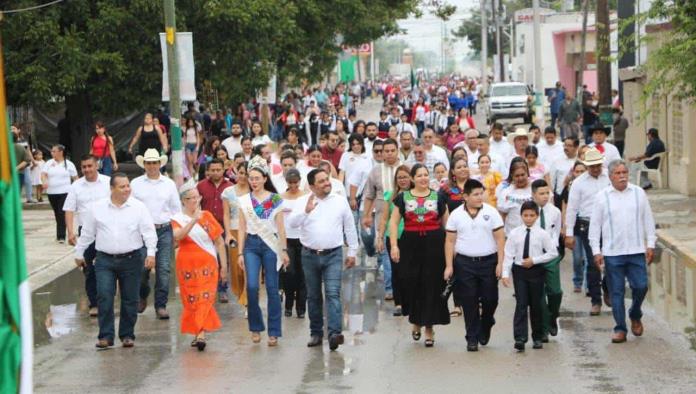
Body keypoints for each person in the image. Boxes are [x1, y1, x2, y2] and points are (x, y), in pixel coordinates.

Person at [74, 173, 157, 348]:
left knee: (130, 298)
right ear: (112, 189)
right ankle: (105, 336)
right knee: (104, 295)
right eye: (122, 186)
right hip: (105, 259)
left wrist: (151, 254)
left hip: (132, 259)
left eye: (128, 186)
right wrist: (79, 253)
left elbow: (149, 232)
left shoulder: (138, 207)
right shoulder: (97, 208)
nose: (127, 189)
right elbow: (88, 233)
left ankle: (127, 334)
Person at [287, 168, 358, 351]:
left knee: (333, 293)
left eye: (327, 179)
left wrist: (352, 251)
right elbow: (292, 224)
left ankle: (334, 333)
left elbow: (349, 227)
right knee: (313, 295)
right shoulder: (303, 201)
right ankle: (316, 332)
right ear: (312, 186)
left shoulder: (339, 201)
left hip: (333, 254)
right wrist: (306, 212)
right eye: (321, 181)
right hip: (309, 255)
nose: (327, 183)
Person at [589, 160, 656, 344]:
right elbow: (594, 227)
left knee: (641, 286)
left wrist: (650, 244)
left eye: (624, 172)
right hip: (612, 253)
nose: (622, 176)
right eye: (618, 173)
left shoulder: (638, 193)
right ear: (610, 177)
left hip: (635, 250)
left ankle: (635, 313)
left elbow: (648, 220)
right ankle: (620, 328)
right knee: (616, 291)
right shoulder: (602, 197)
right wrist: (597, 251)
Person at [389, 164, 450, 347]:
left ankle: (429, 328)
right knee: (412, 283)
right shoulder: (403, 198)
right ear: (413, 178)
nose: (423, 178)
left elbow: (448, 224)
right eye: (419, 175)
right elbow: (393, 223)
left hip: (434, 245)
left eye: (426, 175)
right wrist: (394, 245)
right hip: (410, 245)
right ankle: (416, 321)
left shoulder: (438, 196)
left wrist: (451, 250)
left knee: (432, 285)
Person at [444, 179, 505, 352]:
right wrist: (449, 266)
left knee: (490, 299)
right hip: (464, 263)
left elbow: (500, 238)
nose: (480, 197)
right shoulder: (456, 215)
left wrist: (500, 263)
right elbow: (449, 241)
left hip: (488, 262)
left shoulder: (491, 212)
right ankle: (471, 337)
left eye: (481, 193)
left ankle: (486, 323)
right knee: (469, 301)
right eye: (476, 194)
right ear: (465, 196)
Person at [236, 156, 289, 346]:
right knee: (251, 286)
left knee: (273, 289)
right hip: (251, 244)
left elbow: (281, 228)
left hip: (270, 246)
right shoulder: (244, 201)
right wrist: (240, 253)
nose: (254, 181)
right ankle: (255, 327)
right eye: (251, 178)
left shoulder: (275, 199)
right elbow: (241, 227)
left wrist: (283, 250)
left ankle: (274, 331)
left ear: (265, 178)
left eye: (257, 178)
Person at [172, 182, 228, 351]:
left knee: (205, 298)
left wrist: (223, 266)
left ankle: (201, 333)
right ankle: (198, 331)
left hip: (208, 262)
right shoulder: (177, 219)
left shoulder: (207, 216)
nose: (195, 201)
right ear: (183, 201)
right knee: (191, 299)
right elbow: (178, 237)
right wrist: (193, 221)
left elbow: (219, 242)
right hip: (187, 263)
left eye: (197, 197)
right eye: (191, 198)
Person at [502, 201, 558, 352]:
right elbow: (509, 254)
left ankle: (538, 336)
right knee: (521, 304)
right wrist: (505, 273)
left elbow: (553, 253)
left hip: (536, 271)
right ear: (521, 216)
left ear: (537, 216)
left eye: (531, 215)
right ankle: (520, 338)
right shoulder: (515, 233)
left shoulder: (542, 234)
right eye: (525, 215)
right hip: (520, 271)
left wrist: (535, 260)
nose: (528, 218)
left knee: (536, 305)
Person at [131, 149, 181, 319]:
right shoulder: (135, 184)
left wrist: (176, 233)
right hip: (142, 232)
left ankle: (161, 305)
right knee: (143, 268)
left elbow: (176, 210)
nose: (152, 166)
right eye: (148, 163)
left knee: (164, 269)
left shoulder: (169, 184)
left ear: (160, 164)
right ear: (144, 164)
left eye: (154, 163)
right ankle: (142, 294)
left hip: (164, 229)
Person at [63, 155, 111, 317]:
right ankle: (95, 303)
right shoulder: (76, 186)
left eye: (90, 166)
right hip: (86, 233)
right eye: (84, 167)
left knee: (109, 268)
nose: (87, 170)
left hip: (107, 231)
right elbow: (69, 209)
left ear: (97, 165)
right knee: (89, 270)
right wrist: (70, 231)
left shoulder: (108, 183)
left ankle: (108, 300)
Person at [565, 148, 611, 315]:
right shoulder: (579, 183)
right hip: (588, 225)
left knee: (611, 261)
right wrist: (569, 233)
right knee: (593, 263)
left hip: (608, 226)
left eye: (598, 165)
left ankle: (607, 288)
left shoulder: (609, 177)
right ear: (586, 166)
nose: (596, 169)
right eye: (592, 166)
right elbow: (572, 209)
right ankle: (596, 300)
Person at [361, 138, 401, 300]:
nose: (389, 154)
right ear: (382, 153)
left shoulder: (406, 168)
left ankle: (404, 286)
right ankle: (390, 288)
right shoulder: (376, 172)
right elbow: (369, 195)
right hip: (381, 218)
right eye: (386, 151)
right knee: (385, 253)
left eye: (392, 150)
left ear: (397, 151)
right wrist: (366, 215)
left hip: (404, 220)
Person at [530, 179, 563, 343]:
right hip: (535, 256)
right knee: (539, 294)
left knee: (555, 291)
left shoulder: (555, 211)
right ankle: (543, 328)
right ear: (533, 194)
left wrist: (554, 250)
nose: (544, 197)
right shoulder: (529, 212)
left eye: (547, 193)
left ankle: (553, 315)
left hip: (550, 255)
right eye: (541, 194)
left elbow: (555, 232)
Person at [376, 165, 412, 317]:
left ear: (411, 177)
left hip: (412, 238)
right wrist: (379, 237)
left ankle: (411, 302)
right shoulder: (390, 196)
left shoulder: (416, 195)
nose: (402, 180)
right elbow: (385, 218)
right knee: (396, 271)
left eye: (405, 177)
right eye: (399, 177)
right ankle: (399, 303)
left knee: (410, 271)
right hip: (394, 238)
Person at [197, 158, 234, 302]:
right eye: (212, 170)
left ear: (223, 169)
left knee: (224, 258)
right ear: (208, 171)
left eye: (218, 169)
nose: (216, 172)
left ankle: (223, 288)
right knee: (207, 258)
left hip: (225, 227)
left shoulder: (230, 187)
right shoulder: (200, 186)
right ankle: (207, 287)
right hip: (205, 228)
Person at [280, 169, 308, 318]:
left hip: (303, 239)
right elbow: (266, 213)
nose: (293, 186)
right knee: (289, 273)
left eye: (295, 182)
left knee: (302, 274)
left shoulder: (306, 196)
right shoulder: (279, 197)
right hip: (286, 239)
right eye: (290, 183)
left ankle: (301, 307)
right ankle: (288, 303)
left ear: (299, 181)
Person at [221, 161, 249, 310]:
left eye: (247, 173)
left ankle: (248, 300)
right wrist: (228, 234)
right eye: (241, 173)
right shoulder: (228, 192)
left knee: (249, 267)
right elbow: (225, 214)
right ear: (236, 172)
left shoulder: (254, 191)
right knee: (236, 269)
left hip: (251, 232)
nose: (243, 176)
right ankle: (240, 294)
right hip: (233, 231)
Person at [41, 144, 78, 243]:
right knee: (57, 213)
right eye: (51, 151)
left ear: (60, 152)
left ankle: (61, 236)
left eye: (54, 151)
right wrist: (44, 181)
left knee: (62, 213)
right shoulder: (49, 163)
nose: (52, 153)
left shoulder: (69, 164)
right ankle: (60, 234)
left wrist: (76, 189)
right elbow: (43, 174)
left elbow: (75, 178)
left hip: (65, 192)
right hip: (52, 192)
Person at [497, 158, 532, 236]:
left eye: (523, 175)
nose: (520, 178)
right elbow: (501, 216)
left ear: (527, 173)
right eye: (517, 176)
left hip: (533, 235)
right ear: (512, 176)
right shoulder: (505, 192)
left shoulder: (535, 189)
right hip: (511, 235)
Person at [550, 136, 579, 207]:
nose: (566, 148)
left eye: (569, 146)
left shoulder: (580, 159)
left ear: (576, 147)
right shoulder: (557, 160)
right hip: (560, 196)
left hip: (578, 195)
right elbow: (552, 181)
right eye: (565, 145)